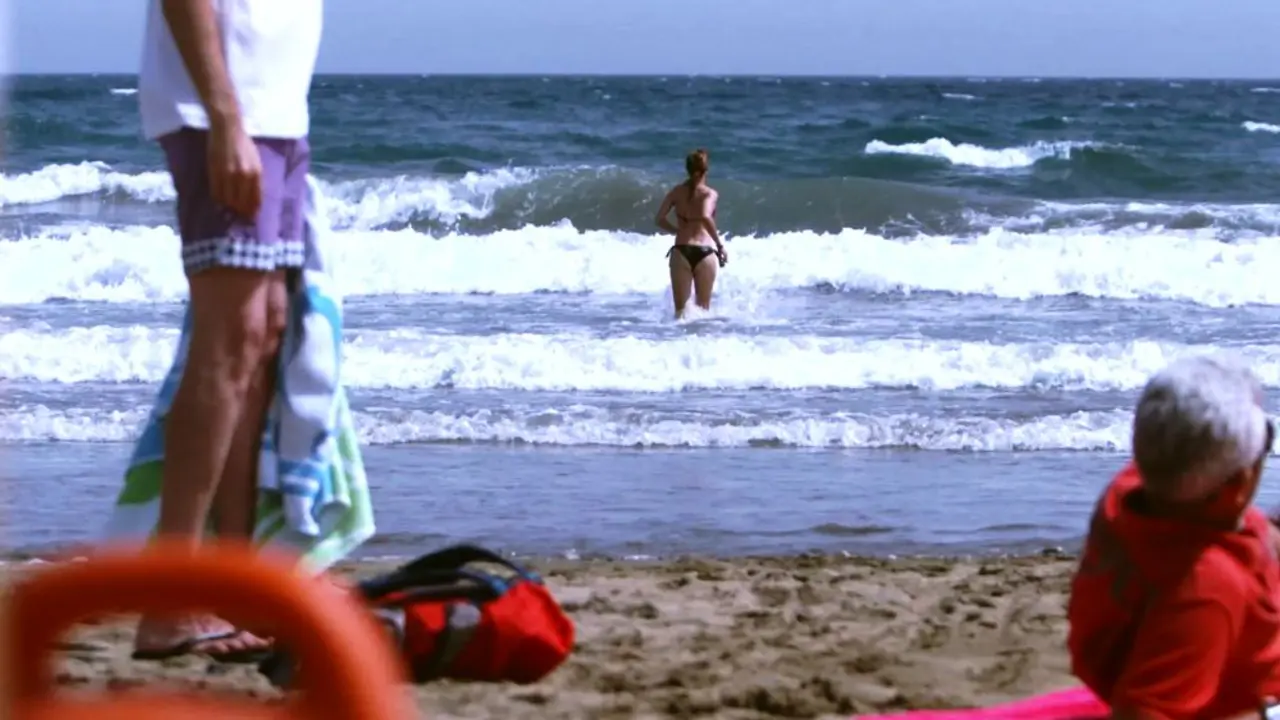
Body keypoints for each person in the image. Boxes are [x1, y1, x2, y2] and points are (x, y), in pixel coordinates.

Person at [130, 0, 323, 660]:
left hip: (276, 114)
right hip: (227, 112)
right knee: (230, 337)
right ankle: (170, 599)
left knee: (263, 332)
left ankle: (230, 583)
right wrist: (225, 117)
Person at [1067, 354, 1280, 720]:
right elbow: (1144, 712)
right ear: (1240, 484)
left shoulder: (1132, 490)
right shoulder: (1204, 588)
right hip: (1251, 696)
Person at [654, 148, 727, 319]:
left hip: (681, 251)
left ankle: (678, 344)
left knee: (680, 313)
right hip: (705, 252)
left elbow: (659, 219)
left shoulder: (676, 192)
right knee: (703, 312)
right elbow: (705, 216)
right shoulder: (710, 194)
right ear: (705, 170)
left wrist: (677, 230)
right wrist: (719, 245)